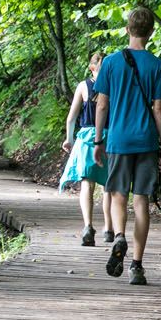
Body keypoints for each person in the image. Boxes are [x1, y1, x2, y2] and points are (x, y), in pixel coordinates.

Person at [92, 6, 161, 286]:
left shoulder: (111, 63)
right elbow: (158, 110)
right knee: (141, 202)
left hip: (118, 141)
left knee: (116, 194)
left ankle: (120, 236)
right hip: (146, 141)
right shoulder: (157, 65)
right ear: (150, 32)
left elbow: (102, 104)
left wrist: (98, 140)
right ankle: (136, 266)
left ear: (128, 29)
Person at [58, 52, 113, 246]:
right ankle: (109, 229)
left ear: (91, 68)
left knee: (87, 184)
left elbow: (71, 117)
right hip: (109, 138)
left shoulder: (84, 86)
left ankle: (88, 226)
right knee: (108, 186)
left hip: (87, 138)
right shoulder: (114, 86)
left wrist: (69, 138)